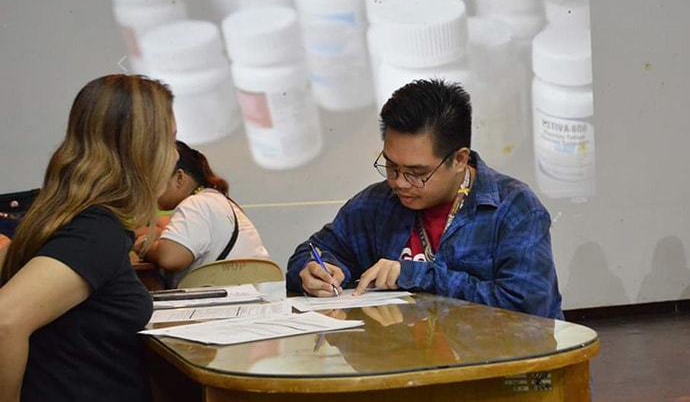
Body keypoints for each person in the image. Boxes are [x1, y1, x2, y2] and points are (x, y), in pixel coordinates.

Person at [286, 79, 563, 319]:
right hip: (407, 370)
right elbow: (313, 251)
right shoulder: (377, 204)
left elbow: (526, 306)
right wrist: (314, 271)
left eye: (417, 173)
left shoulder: (513, 208)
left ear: (459, 160)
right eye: (392, 166)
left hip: (497, 372)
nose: (399, 182)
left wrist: (415, 275)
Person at [0, 74, 178, 402]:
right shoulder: (97, 230)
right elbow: (5, 321)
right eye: (171, 140)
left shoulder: (67, 218)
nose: (176, 156)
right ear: (145, 149)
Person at [136, 140, 269, 288]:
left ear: (179, 178)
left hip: (221, 306)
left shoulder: (195, 204)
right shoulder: (215, 200)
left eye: (154, 180)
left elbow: (170, 257)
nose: (149, 189)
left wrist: (145, 246)